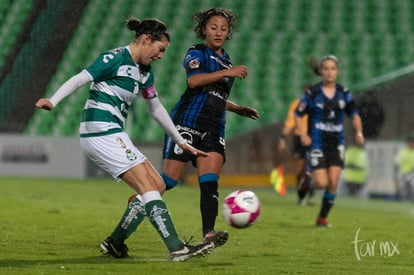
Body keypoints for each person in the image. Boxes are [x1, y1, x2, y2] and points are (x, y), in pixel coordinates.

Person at [35, 18, 215, 262]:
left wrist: (180, 141)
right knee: (148, 188)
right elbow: (81, 78)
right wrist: (53, 101)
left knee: (158, 185)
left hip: (114, 134)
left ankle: (115, 243)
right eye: (160, 49)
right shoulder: (114, 58)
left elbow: (155, 108)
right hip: (100, 132)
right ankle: (177, 248)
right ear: (146, 40)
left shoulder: (144, 72)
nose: (161, 56)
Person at [100, 8, 260, 257]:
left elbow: (215, 95)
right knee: (166, 183)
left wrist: (237, 108)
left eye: (223, 28)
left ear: (229, 33)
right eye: (213, 27)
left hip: (213, 127)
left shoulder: (226, 60)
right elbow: (194, 83)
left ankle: (209, 234)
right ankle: (120, 232)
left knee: (210, 183)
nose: (218, 32)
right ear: (204, 30)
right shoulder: (196, 53)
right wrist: (227, 73)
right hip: (186, 123)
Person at [295, 55, 364, 227]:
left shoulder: (344, 93)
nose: (329, 72)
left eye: (333, 68)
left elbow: (354, 115)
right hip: (317, 142)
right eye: (325, 68)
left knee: (333, 182)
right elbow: (298, 114)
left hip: (337, 143)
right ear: (321, 71)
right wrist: (303, 134)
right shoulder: (313, 93)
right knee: (321, 183)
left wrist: (359, 132)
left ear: (338, 71)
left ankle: (322, 218)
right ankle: (307, 180)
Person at [278, 83, 314, 205]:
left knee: (311, 167)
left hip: (313, 138)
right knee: (300, 168)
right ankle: (301, 195)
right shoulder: (296, 105)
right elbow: (290, 122)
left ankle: (311, 196)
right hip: (299, 138)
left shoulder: (317, 105)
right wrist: (282, 138)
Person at [395, 134, 414, 201]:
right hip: (403, 173)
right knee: (404, 190)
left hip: (412, 174)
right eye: (410, 142)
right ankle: (405, 202)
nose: (411, 144)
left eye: (412, 142)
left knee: (412, 189)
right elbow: (397, 163)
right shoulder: (402, 151)